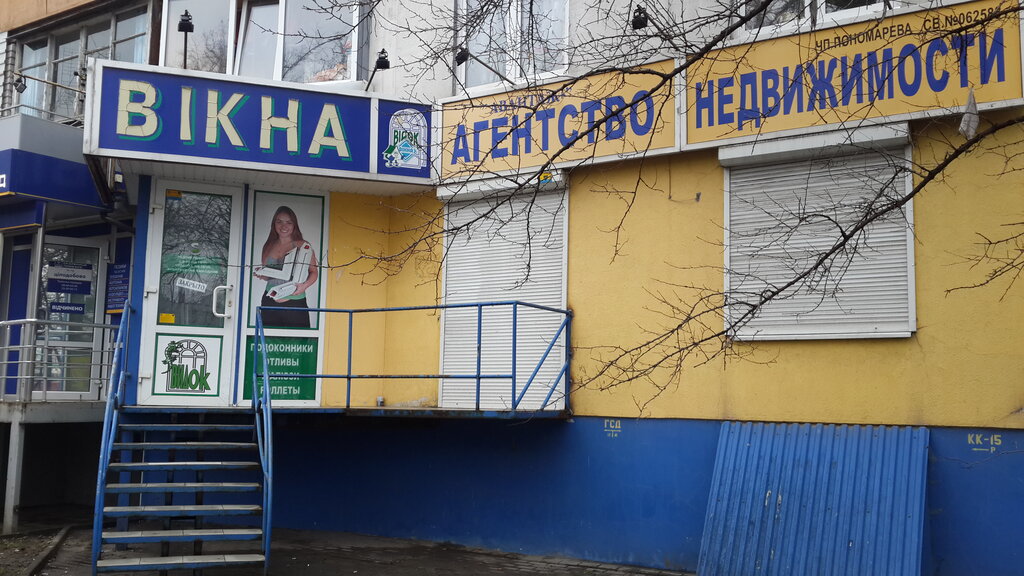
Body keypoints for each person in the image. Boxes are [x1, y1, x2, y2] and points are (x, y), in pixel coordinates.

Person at [254, 206, 319, 328]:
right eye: (279, 221)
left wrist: (304, 286)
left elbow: (314, 272)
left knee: (297, 339)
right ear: (274, 224)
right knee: (268, 338)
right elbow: (270, 275)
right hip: (270, 302)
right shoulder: (268, 245)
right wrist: (261, 275)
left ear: (294, 225)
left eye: (289, 222)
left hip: (295, 303)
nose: (284, 226)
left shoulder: (303, 246)